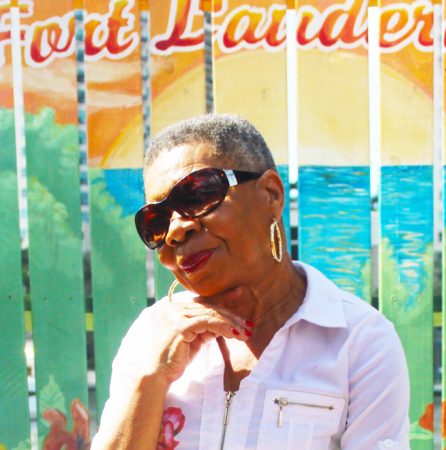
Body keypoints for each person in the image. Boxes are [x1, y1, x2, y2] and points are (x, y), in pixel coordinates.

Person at [91, 114, 410, 450]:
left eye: (198, 195)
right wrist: (151, 377)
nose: (175, 230)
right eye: (156, 220)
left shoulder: (358, 341)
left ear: (270, 195)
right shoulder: (152, 333)